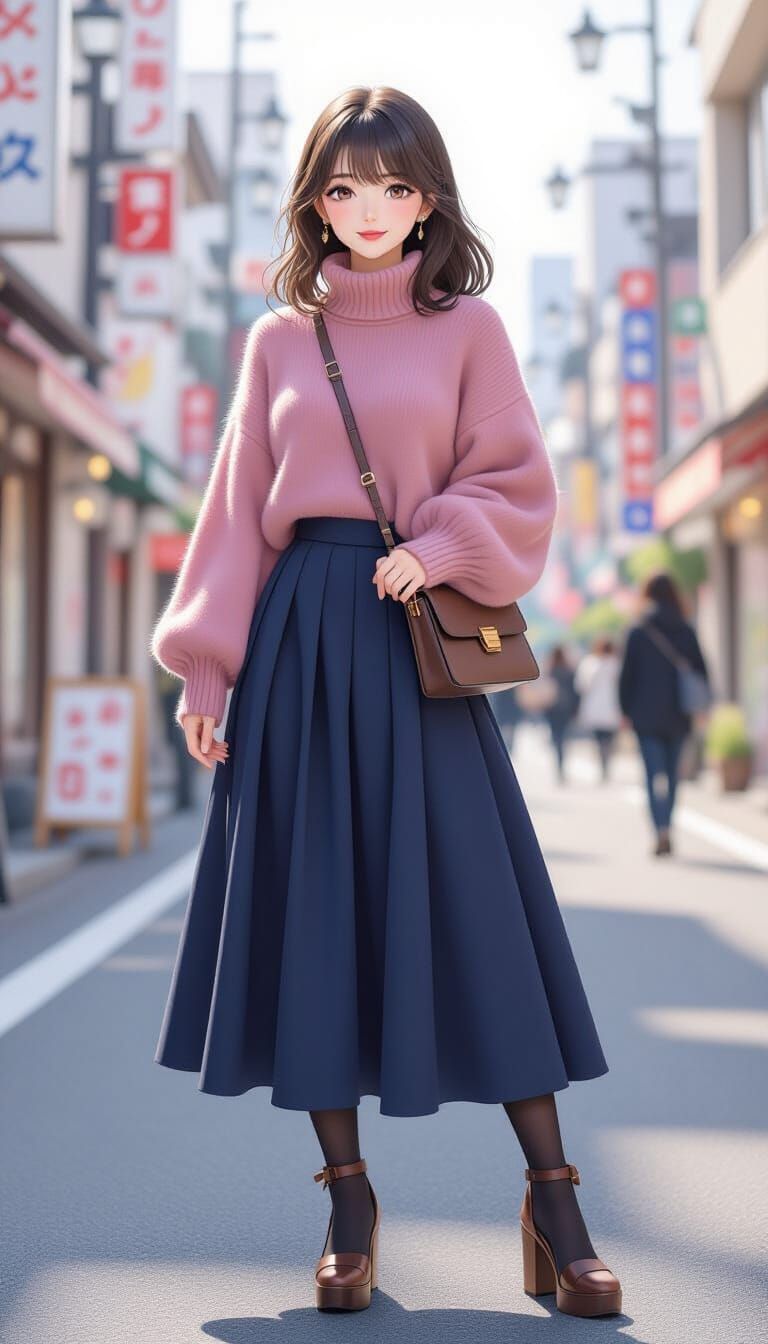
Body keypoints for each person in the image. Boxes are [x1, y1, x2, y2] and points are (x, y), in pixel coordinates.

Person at [150, 86, 621, 1319]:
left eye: (397, 189)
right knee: (316, 913)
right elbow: (235, 518)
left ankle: (556, 1198)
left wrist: (448, 540)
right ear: (315, 198)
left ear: (431, 200)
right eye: (346, 189)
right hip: (303, 633)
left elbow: (516, 478)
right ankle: (349, 1200)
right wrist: (211, 669)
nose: (370, 212)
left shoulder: (469, 330)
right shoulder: (275, 343)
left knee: (477, 908)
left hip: (418, 637)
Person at [619, 571, 709, 856]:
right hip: (678, 715)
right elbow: (702, 672)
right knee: (672, 776)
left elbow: (626, 677)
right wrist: (703, 708)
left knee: (651, 776)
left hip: (645, 716)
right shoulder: (686, 629)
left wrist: (625, 710)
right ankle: (668, 827)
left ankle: (658, 829)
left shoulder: (637, 631)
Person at [575, 638, 622, 781]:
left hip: (594, 706)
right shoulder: (617, 664)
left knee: (599, 738)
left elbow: (581, 686)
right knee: (609, 737)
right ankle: (606, 762)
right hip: (614, 707)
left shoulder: (589, 663)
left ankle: (603, 762)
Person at [543, 646, 580, 783]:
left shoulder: (550, 671)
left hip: (552, 709)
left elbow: (544, 691)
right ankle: (561, 765)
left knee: (556, 737)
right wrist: (576, 709)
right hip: (566, 709)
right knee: (564, 737)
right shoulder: (569, 671)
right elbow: (575, 692)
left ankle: (559, 766)